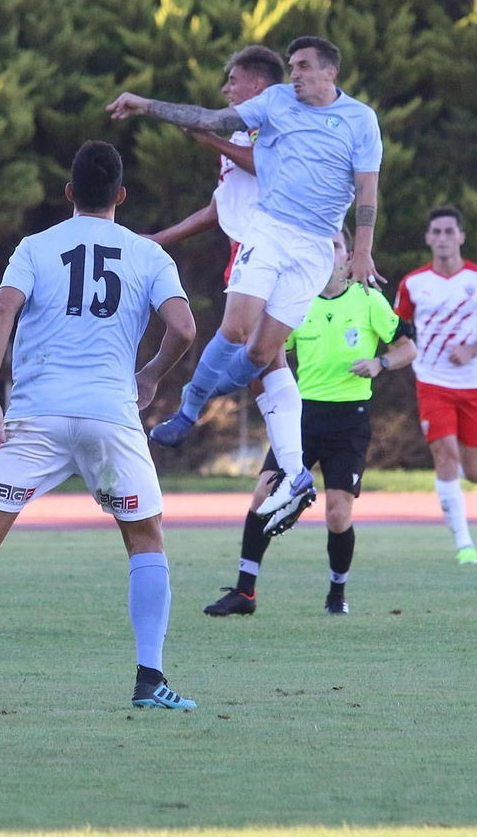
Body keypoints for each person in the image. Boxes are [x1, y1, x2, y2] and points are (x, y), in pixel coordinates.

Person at [0, 141, 199, 712]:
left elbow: (2, 310)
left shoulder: (36, 246)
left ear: (69, 193)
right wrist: (148, 376)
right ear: (121, 196)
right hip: (110, 415)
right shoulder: (148, 254)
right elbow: (184, 327)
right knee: (144, 541)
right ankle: (150, 678)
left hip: (36, 413)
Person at [107, 35, 384, 536]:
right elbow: (212, 119)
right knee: (234, 329)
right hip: (270, 232)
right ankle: (190, 409)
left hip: (316, 249)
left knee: (262, 355)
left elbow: (367, 189)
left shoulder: (361, 120)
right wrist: (146, 105)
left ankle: (287, 470)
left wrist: (361, 248)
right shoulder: (274, 103)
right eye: (291, 66)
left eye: (302, 67)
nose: (293, 74)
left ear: (329, 72)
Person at [205, 230, 415, 618]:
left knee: (338, 514)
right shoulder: (296, 304)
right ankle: (244, 593)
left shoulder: (369, 300)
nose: (326, 253)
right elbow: (270, 355)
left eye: (334, 246)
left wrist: (380, 363)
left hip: (349, 422)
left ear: (349, 257)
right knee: (261, 497)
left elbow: (407, 346)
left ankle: (337, 593)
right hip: (302, 418)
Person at [144, 45, 308, 505]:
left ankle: (191, 410)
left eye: (232, 80)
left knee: (238, 336)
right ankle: (293, 472)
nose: (225, 90)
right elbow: (222, 204)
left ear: (257, 84)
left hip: (273, 244)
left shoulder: (274, 121)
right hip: (250, 243)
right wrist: (161, 238)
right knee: (266, 362)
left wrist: (212, 140)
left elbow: (265, 166)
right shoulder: (246, 129)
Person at [393, 207, 477, 564]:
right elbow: (396, 329)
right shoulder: (413, 283)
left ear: (461, 236)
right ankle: (464, 544)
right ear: (428, 238)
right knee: (445, 456)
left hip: (472, 385)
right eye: (436, 232)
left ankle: (451, 487)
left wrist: (472, 349)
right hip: (431, 382)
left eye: (449, 232)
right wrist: (400, 353)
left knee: (475, 473)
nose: (443, 238)